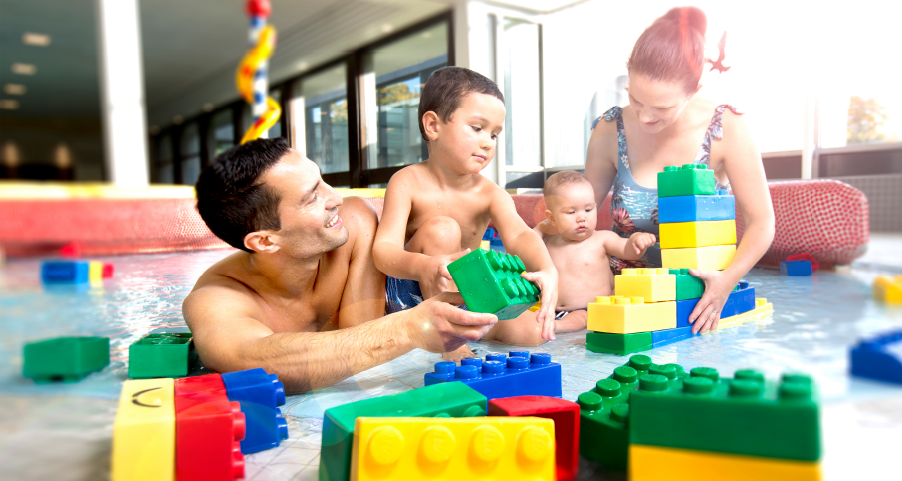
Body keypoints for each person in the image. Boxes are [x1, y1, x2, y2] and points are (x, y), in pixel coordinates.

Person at [182, 138, 497, 393]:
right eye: (311, 198)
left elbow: (366, 346)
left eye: (322, 181)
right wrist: (410, 328)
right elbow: (255, 361)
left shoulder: (355, 221)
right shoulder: (215, 298)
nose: (335, 198)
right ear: (265, 241)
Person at [585, 6, 775, 335]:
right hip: (624, 295)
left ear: (695, 89)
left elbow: (761, 221)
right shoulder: (610, 127)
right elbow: (577, 213)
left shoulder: (726, 127)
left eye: (661, 107)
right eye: (635, 99)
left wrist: (727, 281)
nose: (644, 117)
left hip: (698, 296)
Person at [372, 67, 559, 354]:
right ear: (433, 126)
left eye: (494, 135)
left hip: (464, 294)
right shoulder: (407, 182)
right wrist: (424, 266)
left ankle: (466, 325)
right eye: (477, 128)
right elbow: (383, 251)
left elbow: (519, 235)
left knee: (532, 334)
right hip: (410, 298)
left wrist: (547, 270)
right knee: (443, 230)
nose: (487, 142)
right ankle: (452, 347)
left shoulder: (491, 193)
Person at [534, 170, 657, 334]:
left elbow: (627, 250)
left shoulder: (603, 239)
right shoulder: (550, 243)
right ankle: (546, 323)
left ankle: (555, 326)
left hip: (589, 310)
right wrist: (541, 228)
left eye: (588, 210)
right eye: (571, 212)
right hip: (552, 307)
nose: (581, 218)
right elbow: (528, 242)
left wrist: (636, 240)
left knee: (581, 318)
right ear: (552, 218)